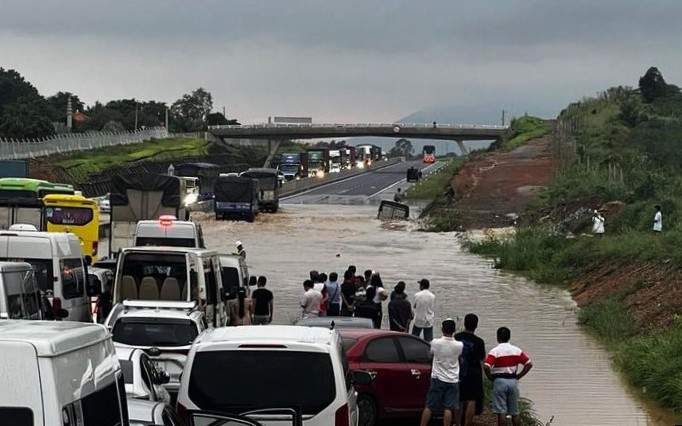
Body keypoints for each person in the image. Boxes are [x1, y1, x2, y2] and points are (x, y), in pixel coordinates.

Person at [484, 327, 533, 426]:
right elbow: (529, 364)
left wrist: (490, 377)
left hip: (499, 381)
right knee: (515, 412)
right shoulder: (517, 350)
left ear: (498, 338)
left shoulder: (495, 351)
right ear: (509, 337)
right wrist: (519, 376)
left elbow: (486, 366)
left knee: (501, 412)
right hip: (512, 381)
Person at [419, 318, 463, 426]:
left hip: (437, 378)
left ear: (442, 329)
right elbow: (460, 358)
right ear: (454, 330)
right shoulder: (459, 345)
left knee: (429, 406)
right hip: (452, 379)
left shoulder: (435, 342)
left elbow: (430, 355)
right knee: (448, 408)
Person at [455, 314, 486, 426]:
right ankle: (467, 423)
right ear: (476, 325)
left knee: (459, 399)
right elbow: (482, 360)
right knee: (471, 400)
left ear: (464, 324)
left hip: (458, 372)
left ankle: (457, 423)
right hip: (473, 373)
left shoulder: (456, 337)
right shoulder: (479, 342)